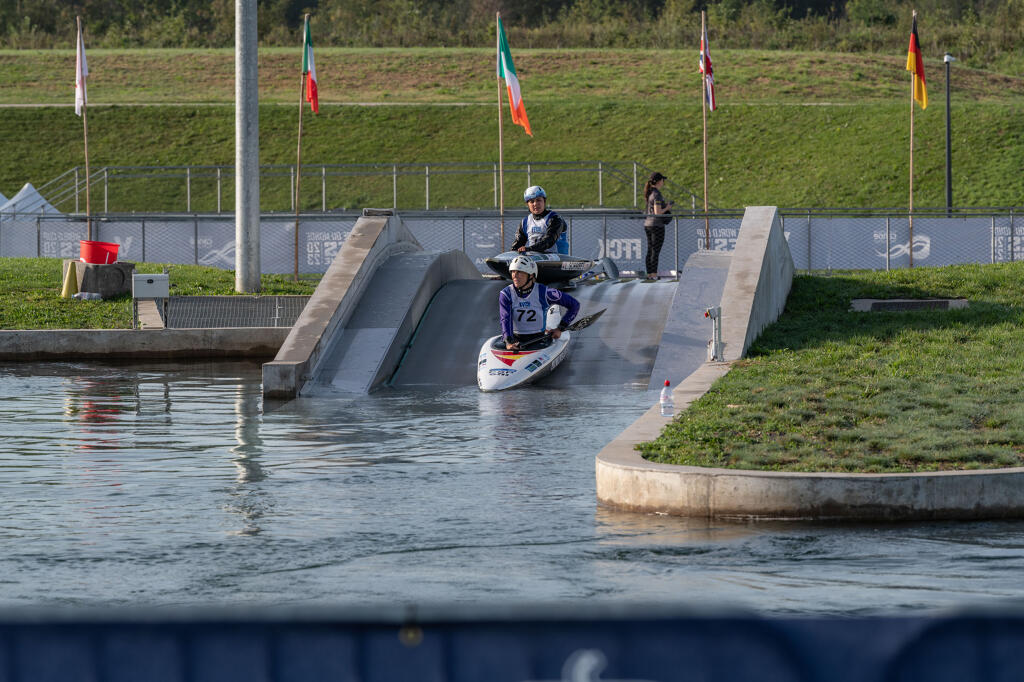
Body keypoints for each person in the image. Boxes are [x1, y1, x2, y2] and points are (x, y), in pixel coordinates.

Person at [499, 255, 580, 350]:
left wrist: (561, 328)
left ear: (531, 275)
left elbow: (574, 305)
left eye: (520, 272)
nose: (515, 276)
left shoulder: (546, 292)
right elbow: (505, 319)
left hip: (539, 339)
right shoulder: (506, 294)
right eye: (513, 272)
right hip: (515, 340)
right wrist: (508, 340)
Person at [511, 185, 569, 255]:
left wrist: (529, 249)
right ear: (527, 205)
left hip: (557, 260)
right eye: (531, 201)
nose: (535, 204)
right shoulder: (525, 222)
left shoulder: (555, 219)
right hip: (535, 260)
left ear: (544, 201)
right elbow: (517, 245)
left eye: (538, 200)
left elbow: (548, 241)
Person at [642, 171, 673, 279]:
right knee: (655, 251)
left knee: (650, 250)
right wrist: (668, 208)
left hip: (648, 224)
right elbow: (658, 212)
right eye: (662, 180)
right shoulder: (656, 194)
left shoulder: (650, 192)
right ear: (659, 181)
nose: (663, 182)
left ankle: (649, 274)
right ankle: (654, 274)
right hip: (656, 226)